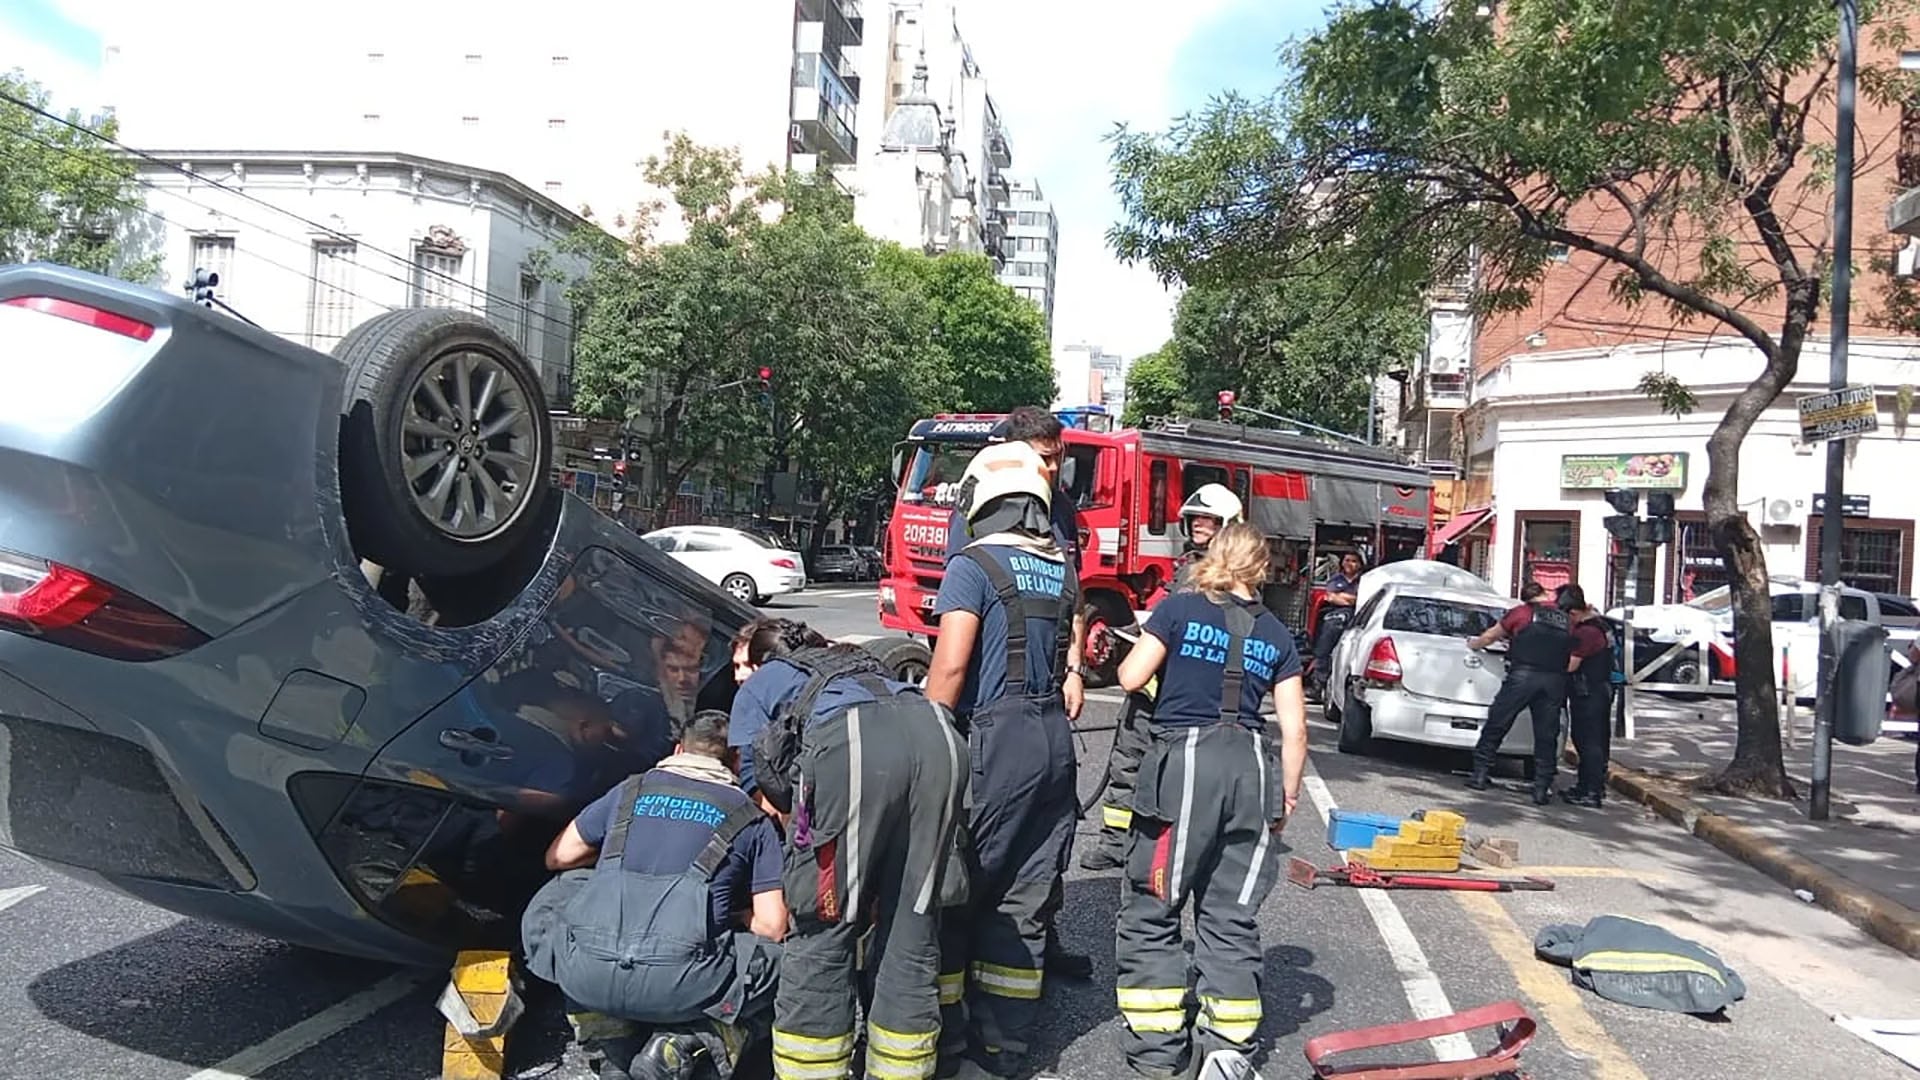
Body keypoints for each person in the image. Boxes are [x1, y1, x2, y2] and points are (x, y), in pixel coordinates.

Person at [1110, 521, 1309, 1080]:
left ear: (1215, 556)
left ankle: (1158, 1050)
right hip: (1251, 767)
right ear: (1262, 568)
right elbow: (1295, 731)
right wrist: (1286, 796)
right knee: (1230, 913)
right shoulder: (1277, 635)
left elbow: (1129, 677)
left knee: (1155, 904)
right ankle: (1227, 1048)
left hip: (1187, 762)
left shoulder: (1178, 609)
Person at [731, 632, 968, 1080]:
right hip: (940, 736)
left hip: (857, 747)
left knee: (823, 926)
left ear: (764, 661)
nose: (740, 675)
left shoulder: (763, 684)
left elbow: (761, 789)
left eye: (742, 665)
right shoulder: (856, 666)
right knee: (911, 924)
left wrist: (797, 863)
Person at [925, 440, 1082, 1078]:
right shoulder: (1061, 567)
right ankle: (1008, 1043)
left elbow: (952, 664)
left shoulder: (974, 563)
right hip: (1053, 741)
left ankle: (951, 1037)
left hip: (997, 743)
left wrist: (923, 736)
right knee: (1026, 892)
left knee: (963, 886)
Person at [523, 710, 786, 1080]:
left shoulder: (629, 791)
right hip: (684, 987)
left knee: (563, 889)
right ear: (735, 760)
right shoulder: (752, 819)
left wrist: (619, 852)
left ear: (678, 750)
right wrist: (736, 918)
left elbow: (558, 856)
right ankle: (694, 1039)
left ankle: (605, 1034)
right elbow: (772, 927)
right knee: (784, 957)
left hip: (586, 972)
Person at [941, 404, 1093, 983]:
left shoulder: (1060, 513)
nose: (1054, 471)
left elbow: (1071, 598)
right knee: (1003, 846)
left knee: (1034, 848)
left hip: (1035, 700)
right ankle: (1002, 972)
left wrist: (1073, 666)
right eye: (1045, 460)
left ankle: (1010, 956)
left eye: (1058, 460)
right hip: (999, 697)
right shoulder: (982, 517)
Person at [1081, 482, 1245, 872]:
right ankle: (1121, 840)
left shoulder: (1216, 577)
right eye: (1196, 519)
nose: (1200, 525)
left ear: (1229, 526)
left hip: (1173, 691)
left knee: (1151, 765)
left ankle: (1139, 843)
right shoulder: (1196, 568)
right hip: (1164, 688)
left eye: (1209, 519)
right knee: (1131, 764)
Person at [1467, 581, 1576, 803]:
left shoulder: (1521, 613)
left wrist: (1473, 644)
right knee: (1547, 734)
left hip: (1523, 676)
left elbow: (1490, 637)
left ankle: (1480, 774)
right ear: (1544, 596)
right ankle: (1541, 787)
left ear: (1525, 598)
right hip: (1554, 680)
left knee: (1499, 721)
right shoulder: (1567, 620)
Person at [1560, 587, 1615, 808]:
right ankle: (1588, 786)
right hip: (1600, 689)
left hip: (1589, 691)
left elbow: (1571, 665)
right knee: (1596, 741)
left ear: (1573, 612)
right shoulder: (1601, 625)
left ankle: (1591, 791)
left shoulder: (1587, 633)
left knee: (1588, 742)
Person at [1310, 552, 1366, 700]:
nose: (1350, 563)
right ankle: (1319, 684)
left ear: (1360, 565)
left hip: (1357, 617)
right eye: (1347, 560)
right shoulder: (1336, 579)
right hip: (1335, 614)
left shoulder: (1365, 581)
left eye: (1354, 561)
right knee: (1326, 640)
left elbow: (1359, 600)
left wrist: (1341, 597)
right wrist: (1349, 599)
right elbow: (1330, 597)